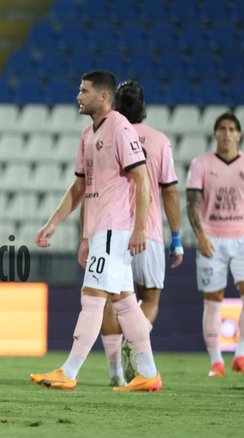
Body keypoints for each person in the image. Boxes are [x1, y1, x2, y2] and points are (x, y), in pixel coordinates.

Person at [31, 70, 162, 392]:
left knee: (91, 298)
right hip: (102, 230)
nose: (78, 96)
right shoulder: (87, 134)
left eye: (84, 91)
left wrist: (140, 227)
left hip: (116, 229)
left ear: (103, 97)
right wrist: (55, 223)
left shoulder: (120, 128)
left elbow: (142, 179)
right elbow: (80, 186)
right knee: (125, 302)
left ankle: (69, 371)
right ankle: (148, 373)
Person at [82, 80, 183, 385]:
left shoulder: (108, 133)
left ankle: (115, 371)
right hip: (147, 232)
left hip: (112, 230)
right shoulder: (159, 140)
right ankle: (135, 339)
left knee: (112, 298)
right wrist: (176, 237)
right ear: (143, 107)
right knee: (149, 298)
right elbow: (169, 192)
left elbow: (88, 188)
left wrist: (86, 235)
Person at [187, 112, 244, 378]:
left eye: (231, 129)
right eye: (222, 128)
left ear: (239, 134)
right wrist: (200, 237)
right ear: (215, 133)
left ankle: (241, 355)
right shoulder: (201, 164)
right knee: (212, 301)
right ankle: (216, 362)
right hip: (212, 239)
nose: (227, 133)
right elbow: (191, 204)